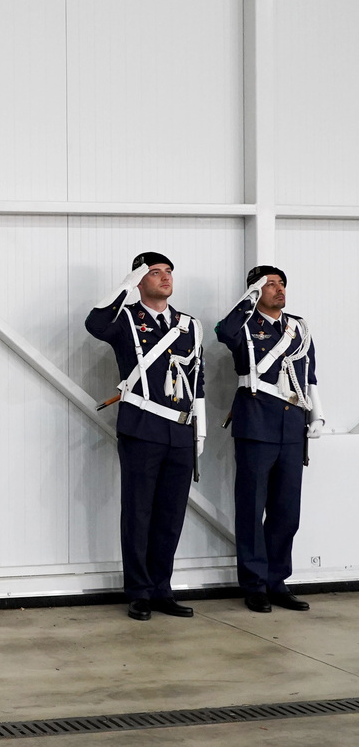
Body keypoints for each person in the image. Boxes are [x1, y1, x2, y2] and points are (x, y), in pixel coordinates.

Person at [86, 252, 206, 621]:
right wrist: (126, 283)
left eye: (168, 272)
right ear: (140, 279)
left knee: (170, 515)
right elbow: (95, 323)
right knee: (138, 512)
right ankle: (138, 591)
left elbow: (198, 381)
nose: (165, 278)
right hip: (142, 426)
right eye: (155, 273)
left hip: (181, 430)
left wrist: (200, 431)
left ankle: (161, 589)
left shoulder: (190, 325)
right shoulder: (125, 320)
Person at [215, 266, 324, 613]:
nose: (278, 290)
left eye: (281, 284)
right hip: (256, 426)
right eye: (270, 285)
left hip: (292, 428)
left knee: (286, 512)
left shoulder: (299, 328)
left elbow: (310, 375)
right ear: (255, 291)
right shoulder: (243, 324)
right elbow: (223, 332)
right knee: (251, 508)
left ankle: (277, 581)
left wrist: (316, 414)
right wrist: (249, 298)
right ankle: (254, 584)